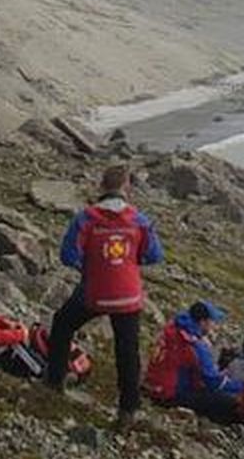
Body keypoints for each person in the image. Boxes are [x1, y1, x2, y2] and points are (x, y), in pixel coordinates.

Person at [46, 164, 163, 427]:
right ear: (126, 188)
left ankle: (54, 381)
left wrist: (91, 265)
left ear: (102, 186)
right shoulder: (140, 220)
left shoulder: (85, 218)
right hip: (128, 295)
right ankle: (128, 410)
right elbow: (154, 255)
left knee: (63, 324)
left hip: (95, 291)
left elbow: (68, 256)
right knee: (127, 349)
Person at [143, 301, 243, 423]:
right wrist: (242, 386)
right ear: (202, 322)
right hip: (170, 395)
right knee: (228, 402)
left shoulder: (173, 328)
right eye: (212, 322)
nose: (214, 326)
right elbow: (213, 381)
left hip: (152, 385)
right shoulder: (194, 344)